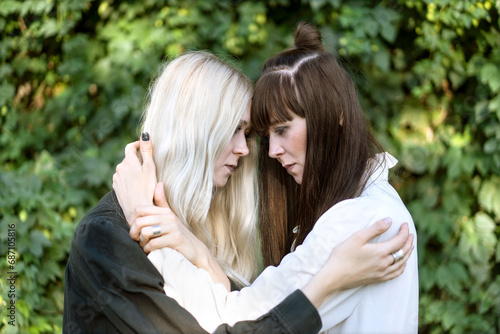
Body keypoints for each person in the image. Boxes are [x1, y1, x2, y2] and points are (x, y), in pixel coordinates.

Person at [111, 49, 415, 332]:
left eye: (282, 130)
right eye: (267, 136)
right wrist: (195, 248)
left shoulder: (357, 222)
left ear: (335, 114)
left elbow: (232, 321)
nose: (271, 151)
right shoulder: (374, 204)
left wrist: (143, 214)